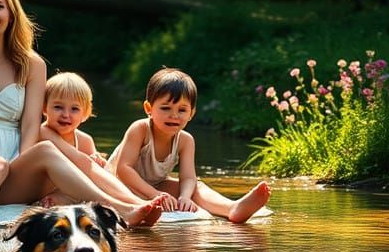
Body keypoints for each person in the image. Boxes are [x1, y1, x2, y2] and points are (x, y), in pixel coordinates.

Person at [0, 0, 163, 236]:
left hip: (14, 163)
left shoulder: (32, 64)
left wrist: (26, 168)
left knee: (49, 151)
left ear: (11, 13)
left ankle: (123, 206)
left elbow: (29, 127)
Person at [107, 67, 271, 222]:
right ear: (148, 108)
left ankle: (232, 208)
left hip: (155, 185)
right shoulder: (140, 129)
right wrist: (154, 194)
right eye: (165, 108)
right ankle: (147, 204)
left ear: (191, 113)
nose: (174, 115)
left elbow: (187, 177)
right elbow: (124, 169)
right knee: (151, 190)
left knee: (195, 187)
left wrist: (184, 196)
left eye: (182, 110)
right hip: (122, 186)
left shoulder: (185, 140)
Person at [37, 72, 143, 207]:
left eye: (74, 109)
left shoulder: (85, 140)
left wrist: (98, 162)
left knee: (99, 176)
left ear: (85, 113)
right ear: (44, 107)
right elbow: (82, 162)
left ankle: (131, 200)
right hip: (41, 189)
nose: (65, 114)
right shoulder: (42, 132)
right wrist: (90, 163)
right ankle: (131, 203)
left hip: (73, 190)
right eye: (58, 107)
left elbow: (95, 175)